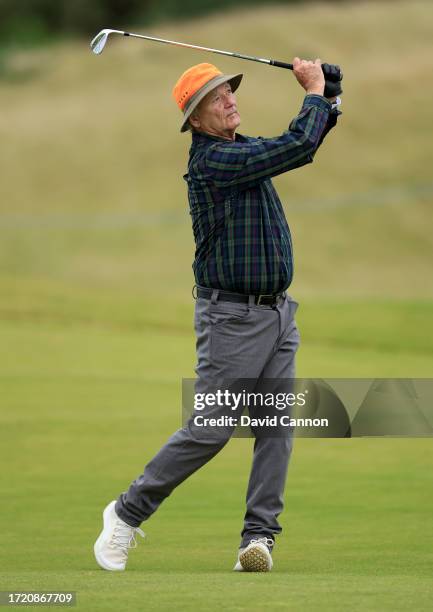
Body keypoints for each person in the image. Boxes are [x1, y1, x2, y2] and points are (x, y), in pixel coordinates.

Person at [94, 58, 342, 573]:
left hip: (277, 316)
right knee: (213, 426)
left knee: (276, 428)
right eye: (216, 98)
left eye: (228, 91)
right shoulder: (213, 163)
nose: (229, 100)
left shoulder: (242, 150)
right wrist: (314, 93)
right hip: (231, 319)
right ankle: (125, 512)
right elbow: (297, 144)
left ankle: (258, 538)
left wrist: (330, 96)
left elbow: (302, 143)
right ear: (197, 121)